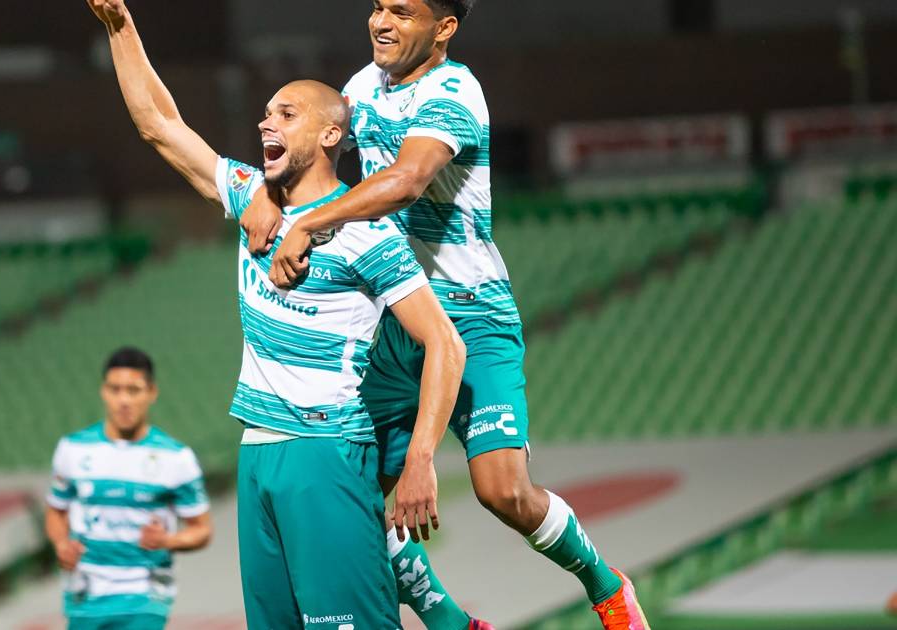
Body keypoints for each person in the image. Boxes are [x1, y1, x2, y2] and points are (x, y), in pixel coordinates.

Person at [240, 1, 652, 628]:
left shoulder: (455, 91)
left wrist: (308, 223)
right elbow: (310, 150)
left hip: (470, 315)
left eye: (402, 11)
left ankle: (606, 586)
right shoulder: (360, 87)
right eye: (377, 6)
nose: (381, 21)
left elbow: (407, 179)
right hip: (393, 323)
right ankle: (453, 623)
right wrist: (269, 195)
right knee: (354, 498)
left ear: (444, 28)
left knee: (502, 490)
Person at [85, 0, 472, 627]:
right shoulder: (251, 198)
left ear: (329, 136)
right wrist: (120, 27)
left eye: (287, 114)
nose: (268, 121)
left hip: (326, 451)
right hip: (258, 454)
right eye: (267, 113)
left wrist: (422, 458)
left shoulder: (363, 232)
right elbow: (159, 124)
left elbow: (445, 345)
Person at [44, 347, 213, 630]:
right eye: (115, 389)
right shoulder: (72, 449)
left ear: (152, 392)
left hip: (145, 596)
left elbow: (202, 529)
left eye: (134, 390)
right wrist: (61, 544)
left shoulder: (176, 458)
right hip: (85, 595)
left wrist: (168, 541)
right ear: (103, 391)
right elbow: (55, 511)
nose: (123, 400)